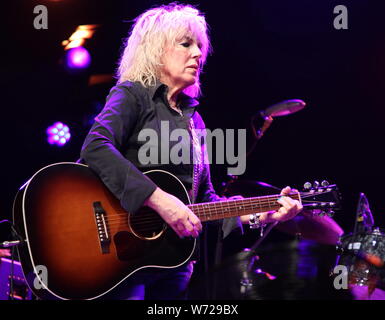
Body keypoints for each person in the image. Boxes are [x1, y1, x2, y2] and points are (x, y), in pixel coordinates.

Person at [80, 3, 302, 300]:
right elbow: (96, 147)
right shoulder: (132, 94)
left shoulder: (194, 122)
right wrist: (159, 200)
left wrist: (264, 215)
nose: (198, 53)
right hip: (119, 255)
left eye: (200, 46)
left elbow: (206, 202)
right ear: (156, 49)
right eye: (186, 43)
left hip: (173, 263)